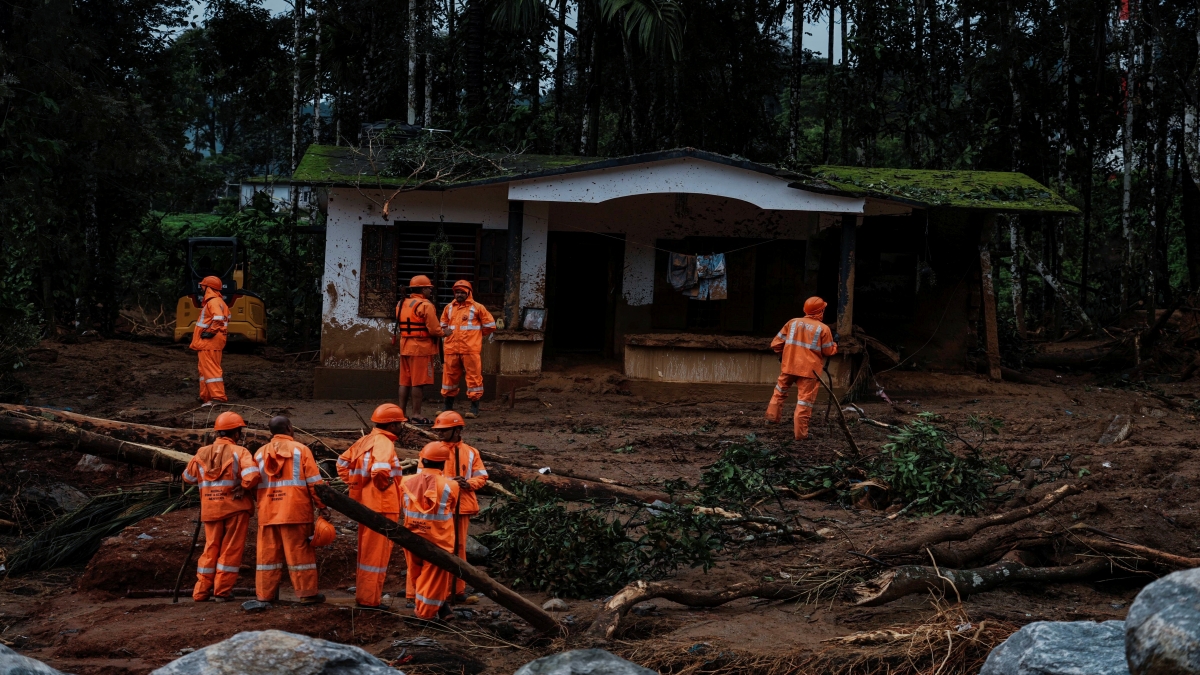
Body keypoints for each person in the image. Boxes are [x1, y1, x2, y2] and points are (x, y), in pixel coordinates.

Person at [181, 411, 260, 602]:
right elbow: (253, 476)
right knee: (230, 550)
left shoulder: (202, 452)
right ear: (235, 433)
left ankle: (200, 592)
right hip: (235, 508)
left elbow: (188, 477)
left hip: (210, 509)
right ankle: (222, 591)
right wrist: (243, 486)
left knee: (210, 548)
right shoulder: (240, 452)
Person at [336, 403, 406, 608]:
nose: (402, 427)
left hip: (365, 506)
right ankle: (370, 600)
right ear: (392, 425)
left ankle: (365, 596)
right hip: (382, 506)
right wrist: (384, 485)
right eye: (400, 423)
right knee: (377, 555)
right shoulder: (384, 443)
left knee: (367, 554)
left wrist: (356, 484)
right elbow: (380, 471)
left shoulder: (364, 441)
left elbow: (341, 463)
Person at [253, 415, 328, 605]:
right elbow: (314, 484)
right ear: (289, 428)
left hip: (268, 513)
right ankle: (307, 594)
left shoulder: (259, 454)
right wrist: (322, 506)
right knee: (300, 555)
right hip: (296, 513)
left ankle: (264, 596)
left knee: (266, 557)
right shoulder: (301, 451)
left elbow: (253, 484)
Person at [420, 410, 486, 599]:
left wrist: (468, 484)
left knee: (459, 547)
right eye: (438, 430)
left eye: (444, 430)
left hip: (462, 506)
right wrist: (447, 482)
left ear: (457, 430)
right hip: (439, 507)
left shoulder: (471, 452)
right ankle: (438, 589)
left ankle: (457, 589)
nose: (439, 433)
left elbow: (482, 476)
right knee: (439, 547)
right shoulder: (431, 450)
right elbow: (422, 477)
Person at [401, 440, 460, 621]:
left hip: (411, 537)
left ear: (422, 460)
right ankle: (424, 614)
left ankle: (439, 610)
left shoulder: (404, 481)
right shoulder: (452, 486)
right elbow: (452, 508)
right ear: (443, 463)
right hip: (438, 540)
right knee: (433, 580)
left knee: (417, 575)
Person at [766, 296, 839, 440]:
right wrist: (835, 342)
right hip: (809, 372)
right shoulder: (823, 329)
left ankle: (771, 420)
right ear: (820, 311)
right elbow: (829, 351)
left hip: (789, 367)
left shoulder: (792, 322)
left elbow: (775, 344)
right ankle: (801, 435)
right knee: (804, 402)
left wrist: (784, 355)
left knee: (779, 393)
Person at [439, 280, 496, 419]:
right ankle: (447, 407)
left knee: (474, 379)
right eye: (457, 292)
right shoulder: (449, 308)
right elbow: (442, 326)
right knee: (449, 379)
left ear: (469, 293)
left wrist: (476, 336)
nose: (459, 294)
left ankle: (474, 408)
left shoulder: (478, 308)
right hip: (451, 349)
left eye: (462, 292)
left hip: (470, 349)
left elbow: (490, 325)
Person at [396, 275, 444, 424]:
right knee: (418, 383)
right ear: (423, 289)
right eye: (429, 288)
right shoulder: (426, 305)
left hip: (405, 346)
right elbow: (435, 330)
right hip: (420, 348)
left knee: (405, 382)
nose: (430, 291)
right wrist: (445, 332)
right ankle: (416, 415)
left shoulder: (401, 303)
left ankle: (401, 415)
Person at [190, 276, 229, 407]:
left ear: (208, 288)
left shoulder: (213, 302)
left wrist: (211, 331)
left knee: (211, 369)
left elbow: (218, 318)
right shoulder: (220, 301)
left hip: (210, 341)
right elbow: (226, 317)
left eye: (203, 286)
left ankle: (218, 397)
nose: (201, 288)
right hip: (211, 341)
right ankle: (206, 397)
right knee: (205, 369)